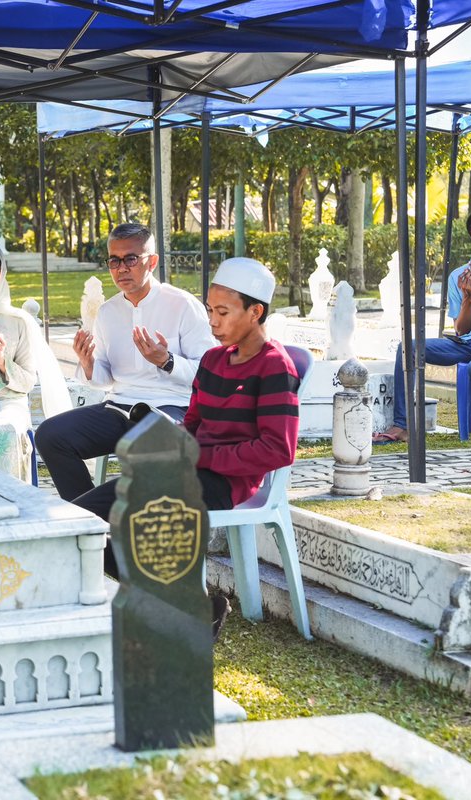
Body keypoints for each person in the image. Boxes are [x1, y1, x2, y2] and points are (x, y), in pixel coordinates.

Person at [74, 257, 301, 639]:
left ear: (255, 312)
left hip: (227, 483)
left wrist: (201, 455)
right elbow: (193, 424)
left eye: (223, 312)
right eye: (210, 310)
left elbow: (278, 450)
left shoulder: (275, 367)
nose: (212, 321)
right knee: (76, 521)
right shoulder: (212, 361)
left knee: (92, 524)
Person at [34, 222, 216, 502]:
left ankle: (103, 521)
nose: (121, 268)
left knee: (150, 444)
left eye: (131, 259)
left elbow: (208, 374)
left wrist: (166, 361)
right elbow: (106, 378)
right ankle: (92, 521)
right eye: (114, 261)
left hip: (172, 410)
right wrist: (89, 363)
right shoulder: (107, 312)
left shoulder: (182, 305)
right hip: (119, 408)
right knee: (50, 436)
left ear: (151, 261)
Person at [375, 207, 471, 443]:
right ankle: (402, 426)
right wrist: (469, 297)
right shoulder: (459, 275)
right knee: (409, 348)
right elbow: (462, 330)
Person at [0, 241, 69, 481]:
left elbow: (28, 380)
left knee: (4, 433)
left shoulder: (18, 320)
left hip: (7, 402)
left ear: (1, 275)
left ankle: (14, 500)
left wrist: (1, 361)